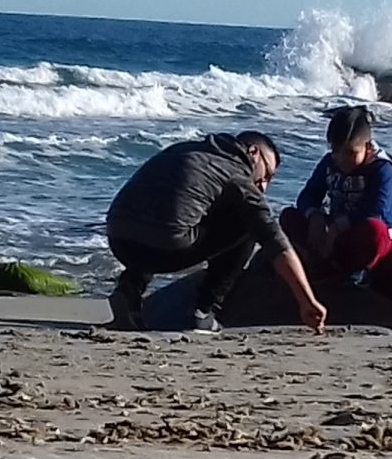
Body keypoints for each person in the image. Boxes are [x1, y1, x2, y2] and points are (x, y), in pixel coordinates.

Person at [105, 130, 327, 334]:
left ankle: (128, 291)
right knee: (248, 223)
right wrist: (307, 301)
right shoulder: (237, 173)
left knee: (169, 214)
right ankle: (203, 312)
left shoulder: (186, 149)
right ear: (253, 152)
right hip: (163, 244)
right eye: (267, 174)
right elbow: (275, 242)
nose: (263, 186)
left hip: (118, 235)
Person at [280, 105, 392, 286]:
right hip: (333, 234)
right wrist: (315, 215)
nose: (342, 159)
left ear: (367, 147)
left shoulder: (381, 168)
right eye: (336, 151)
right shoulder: (329, 163)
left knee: (375, 231)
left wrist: (339, 226)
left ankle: (356, 271)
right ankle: (318, 262)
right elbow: (308, 195)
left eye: (351, 153)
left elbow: (377, 209)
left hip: (361, 234)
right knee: (288, 216)